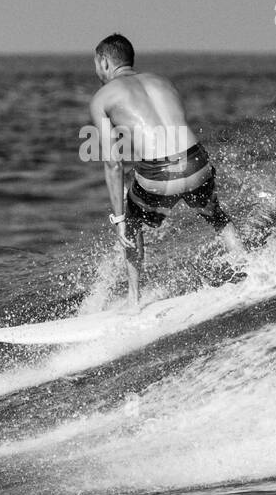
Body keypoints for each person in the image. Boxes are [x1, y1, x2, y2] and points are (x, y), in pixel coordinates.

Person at [88, 33, 243, 307]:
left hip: (158, 175)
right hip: (196, 162)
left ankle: (134, 302)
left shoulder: (102, 98)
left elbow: (113, 163)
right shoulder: (163, 81)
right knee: (217, 217)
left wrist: (119, 218)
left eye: (95, 64)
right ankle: (250, 269)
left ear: (104, 62)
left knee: (133, 222)